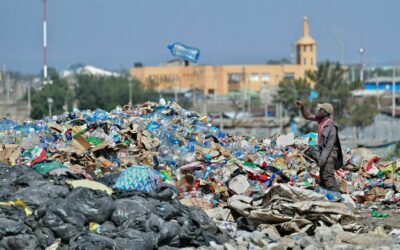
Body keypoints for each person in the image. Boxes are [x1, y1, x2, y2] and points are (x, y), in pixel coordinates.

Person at [295, 101, 343, 192]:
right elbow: (308, 116)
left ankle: (338, 199)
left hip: (329, 155)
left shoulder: (331, 126)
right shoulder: (321, 120)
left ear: (325, 113)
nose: (318, 110)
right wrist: (302, 107)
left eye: (320, 109)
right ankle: (326, 196)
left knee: (328, 177)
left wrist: (322, 160)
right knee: (322, 177)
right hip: (324, 154)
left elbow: (329, 146)